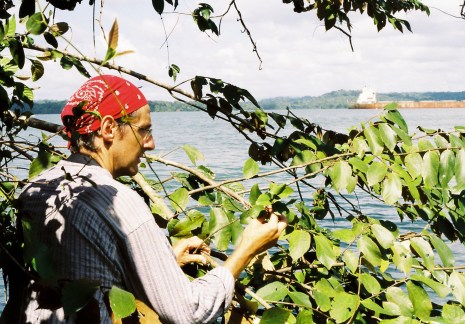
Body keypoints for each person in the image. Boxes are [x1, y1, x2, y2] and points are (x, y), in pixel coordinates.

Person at [16, 75, 287, 323]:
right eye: (144, 130)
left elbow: (81, 265)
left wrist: (165, 260)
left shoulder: (36, 188)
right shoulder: (119, 201)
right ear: (109, 128)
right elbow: (188, 312)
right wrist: (246, 250)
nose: (150, 143)